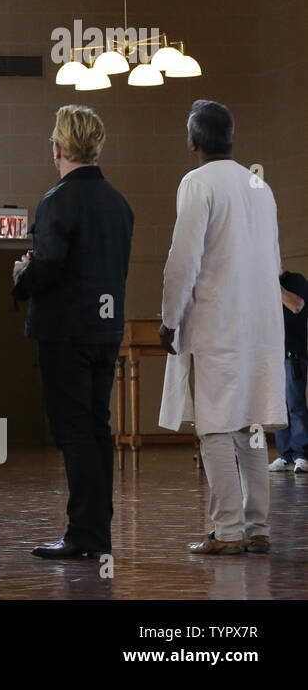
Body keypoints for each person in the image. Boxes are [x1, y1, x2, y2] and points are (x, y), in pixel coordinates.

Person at [159, 100, 286, 555]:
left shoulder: (197, 183)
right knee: (250, 424)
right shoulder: (260, 185)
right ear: (230, 137)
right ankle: (258, 528)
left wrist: (169, 318)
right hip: (262, 325)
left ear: (192, 141)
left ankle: (228, 531)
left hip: (218, 323)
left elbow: (183, 261)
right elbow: (274, 259)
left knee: (213, 424)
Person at [13, 105, 133, 560]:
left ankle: (85, 534)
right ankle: (98, 529)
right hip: (107, 331)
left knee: (75, 433)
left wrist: (23, 274)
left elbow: (48, 271)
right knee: (98, 429)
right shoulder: (120, 204)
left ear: (58, 147)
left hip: (66, 333)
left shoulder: (57, 201)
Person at [269, 268, 308, 474]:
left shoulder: (296, 280)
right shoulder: (261, 284)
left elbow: (297, 306)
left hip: (293, 354)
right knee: (278, 408)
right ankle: (285, 455)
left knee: (295, 405)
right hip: (271, 356)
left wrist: (273, 282)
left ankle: (301, 454)